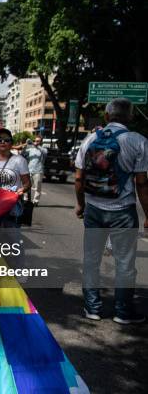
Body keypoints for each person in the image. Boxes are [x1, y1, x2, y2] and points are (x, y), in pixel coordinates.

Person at [74, 98, 148, 324]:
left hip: (94, 210)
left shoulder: (90, 139)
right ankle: (123, 312)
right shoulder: (138, 141)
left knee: (91, 260)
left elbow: (78, 178)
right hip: (123, 211)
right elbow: (142, 182)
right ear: (131, 117)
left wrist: (81, 205)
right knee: (125, 263)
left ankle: (92, 308)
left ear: (106, 117)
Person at [21, 136, 48, 206]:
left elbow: (45, 153)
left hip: (38, 171)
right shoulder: (31, 149)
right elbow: (23, 153)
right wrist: (26, 144)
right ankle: (25, 199)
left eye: (38, 141)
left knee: (37, 187)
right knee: (26, 186)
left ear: (41, 142)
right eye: (35, 140)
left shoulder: (44, 149)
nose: (36, 142)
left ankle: (35, 201)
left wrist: (36, 145)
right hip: (29, 170)